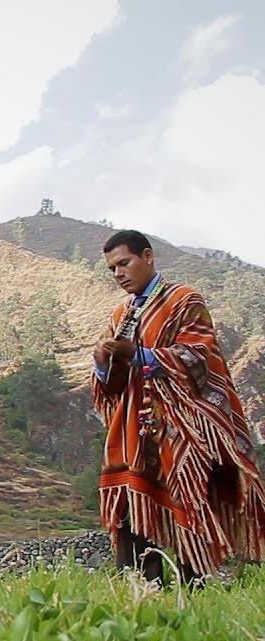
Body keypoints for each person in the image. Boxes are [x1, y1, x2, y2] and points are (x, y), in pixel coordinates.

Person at [92, 230, 265, 585]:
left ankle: (195, 584)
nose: (119, 274)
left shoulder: (183, 300)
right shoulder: (121, 314)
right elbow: (113, 386)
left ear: (148, 256)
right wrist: (102, 363)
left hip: (181, 424)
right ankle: (143, 589)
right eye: (112, 269)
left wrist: (139, 355)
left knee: (187, 497)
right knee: (132, 504)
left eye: (124, 263)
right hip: (134, 430)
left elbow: (199, 356)